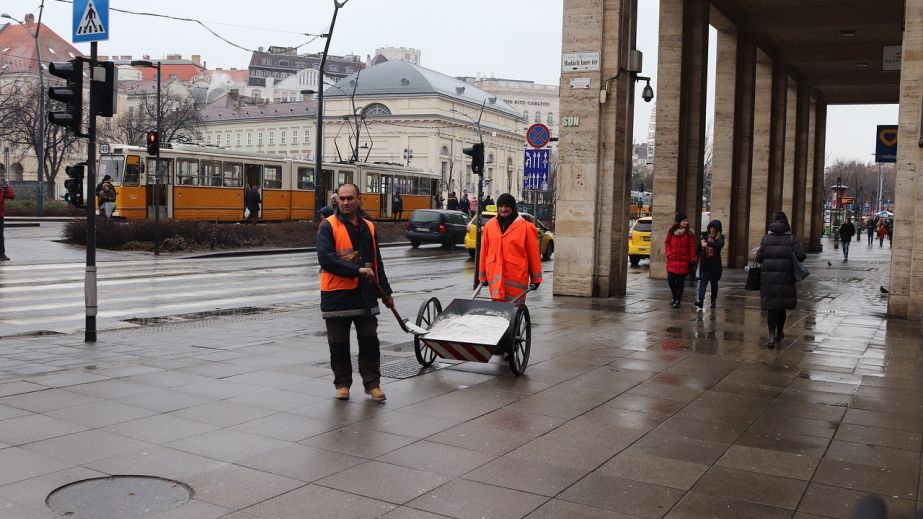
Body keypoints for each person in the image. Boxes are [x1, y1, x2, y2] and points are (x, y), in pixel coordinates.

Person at [317, 183, 393, 402]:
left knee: (370, 341)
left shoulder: (368, 226)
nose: (346, 202)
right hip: (336, 295)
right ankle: (342, 384)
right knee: (338, 343)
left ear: (359, 199)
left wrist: (386, 292)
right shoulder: (328, 226)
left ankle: (372, 385)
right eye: (342, 198)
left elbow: (376, 262)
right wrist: (356, 269)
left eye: (350, 198)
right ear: (337, 200)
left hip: (366, 293)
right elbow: (326, 259)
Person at [478, 193, 542, 302]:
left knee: (514, 312)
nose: (503, 209)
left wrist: (536, 279)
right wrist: (482, 277)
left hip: (516, 278)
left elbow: (534, 255)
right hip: (495, 277)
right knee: (497, 310)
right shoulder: (490, 226)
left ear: (512, 208)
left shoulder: (526, 228)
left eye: (507, 206)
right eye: (501, 206)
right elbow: (484, 251)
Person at [756, 211, 806, 348]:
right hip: (785, 278)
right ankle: (780, 332)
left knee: (771, 308)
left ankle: (771, 336)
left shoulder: (766, 238)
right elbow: (801, 256)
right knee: (781, 307)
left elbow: (759, 258)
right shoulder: (791, 239)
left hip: (769, 279)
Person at [664, 213, 697, 308]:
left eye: (686, 221)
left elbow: (692, 247)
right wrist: (669, 253)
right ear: (679, 222)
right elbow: (667, 243)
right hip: (672, 260)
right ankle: (674, 296)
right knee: (670, 280)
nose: (686, 222)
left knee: (680, 282)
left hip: (684, 261)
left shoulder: (689, 233)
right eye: (684, 221)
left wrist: (692, 259)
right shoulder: (671, 231)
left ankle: (678, 300)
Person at [696, 220, 724, 309]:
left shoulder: (720, 237)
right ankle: (700, 300)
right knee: (703, 282)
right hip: (706, 263)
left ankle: (713, 300)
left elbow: (719, 244)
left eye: (714, 228)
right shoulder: (705, 236)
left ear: (717, 229)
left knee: (714, 283)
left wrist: (707, 243)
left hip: (715, 265)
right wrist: (701, 244)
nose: (712, 230)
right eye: (710, 227)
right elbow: (699, 248)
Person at [0, 178, 14, 261]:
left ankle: (1, 254)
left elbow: (11, 196)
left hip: (0, 216)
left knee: (0, 236)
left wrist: (7, 186)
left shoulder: (2, 190)